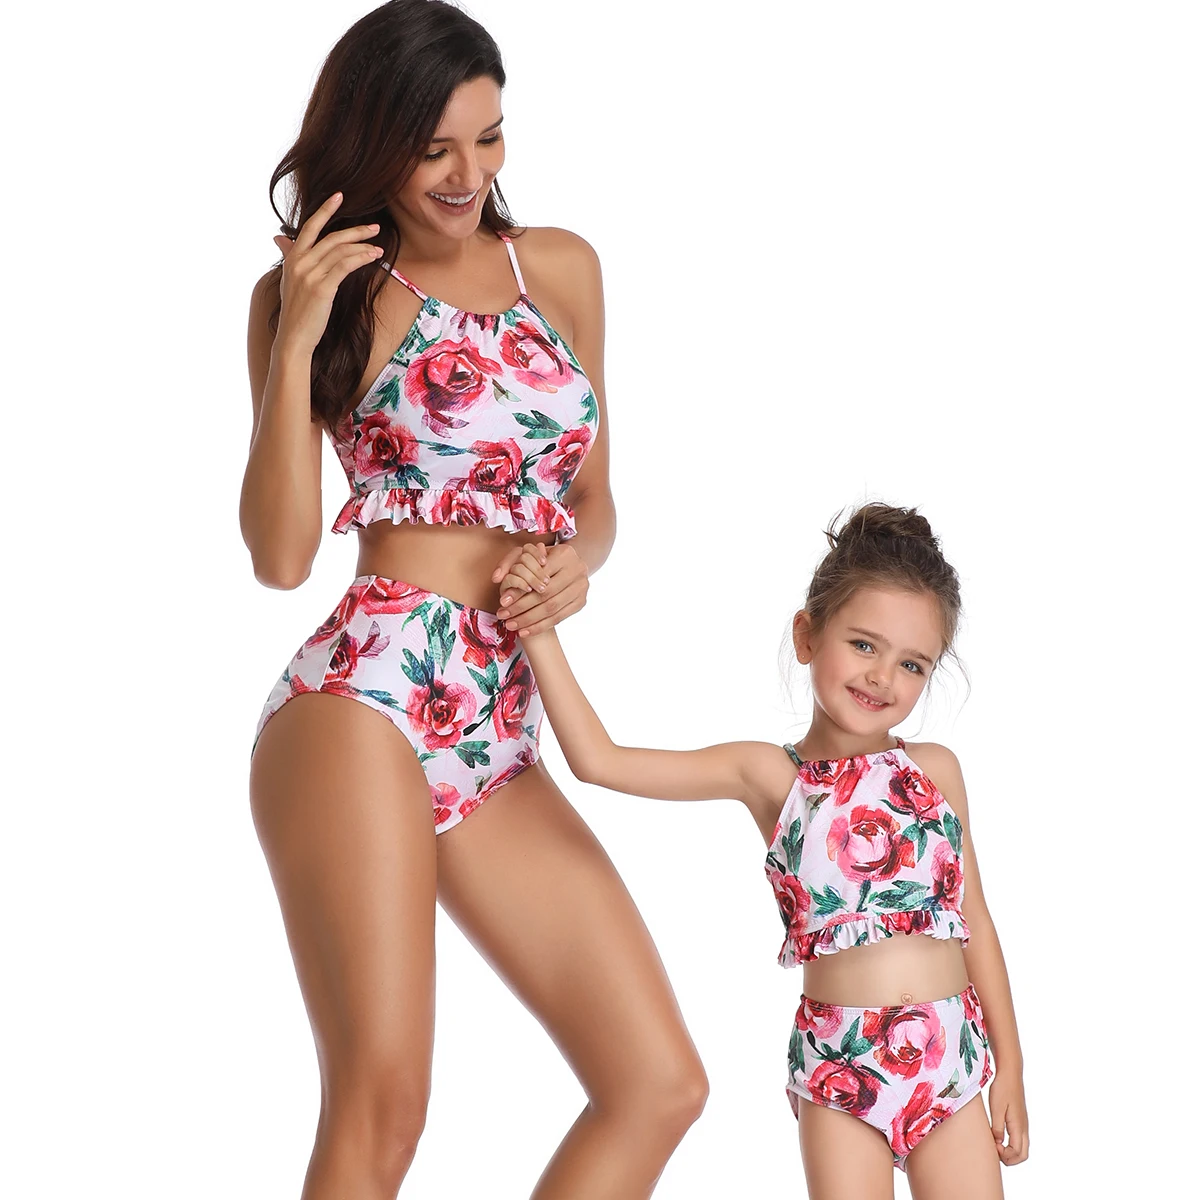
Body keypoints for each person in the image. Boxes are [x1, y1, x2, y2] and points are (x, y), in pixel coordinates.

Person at [240, 4, 706, 1196]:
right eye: (434, 146)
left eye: (489, 138)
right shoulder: (316, 297)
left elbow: (592, 497)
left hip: (501, 719)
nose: (467, 173)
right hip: (365, 700)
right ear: (373, 140)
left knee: (657, 1082)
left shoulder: (561, 268)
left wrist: (577, 563)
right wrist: (293, 341)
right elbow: (280, 558)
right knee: (383, 1104)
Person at [511, 504, 1030, 1199]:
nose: (882, 677)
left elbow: (978, 923)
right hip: (841, 1067)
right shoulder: (769, 775)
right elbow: (599, 761)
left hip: (953, 1059)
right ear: (808, 635)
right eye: (864, 645)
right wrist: (539, 631)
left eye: (911, 664)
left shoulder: (936, 770)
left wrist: (1010, 1067)